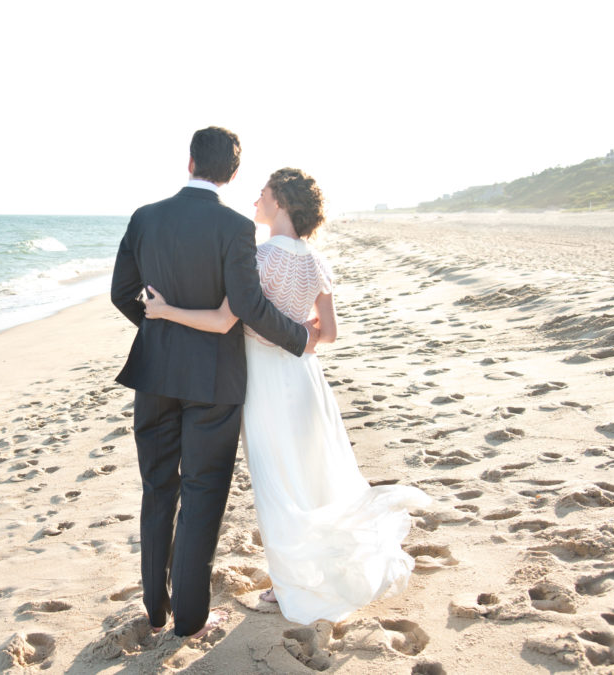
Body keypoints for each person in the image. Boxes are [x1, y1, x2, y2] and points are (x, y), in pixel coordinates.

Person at [141, 167, 431, 625]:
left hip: (263, 382)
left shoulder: (258, 258)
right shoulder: (316, 262)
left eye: (262, 193)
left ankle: (288, 586)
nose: (255, 200)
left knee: (277, 481)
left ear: (280, 203)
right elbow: (329, 334)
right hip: (305, 377)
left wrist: (164, 310)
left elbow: (221, 322)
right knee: (310, 475)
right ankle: (304, 573)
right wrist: (298, 337)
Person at [110, 128, 313, 638]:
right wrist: (298, 338)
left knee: (158, 489)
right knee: (202, 495)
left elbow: (121, 293)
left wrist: (159, 329)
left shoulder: (144, 217)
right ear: (232, 174)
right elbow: (245, 305)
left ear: (190, 162)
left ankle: (155, 611)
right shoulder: (234, 225)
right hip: (215, 381)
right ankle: (191, 623)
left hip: (155, 372)